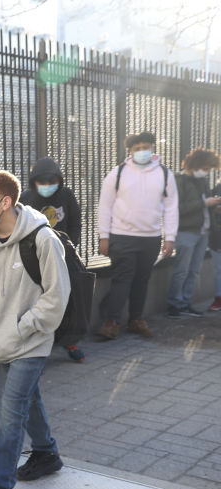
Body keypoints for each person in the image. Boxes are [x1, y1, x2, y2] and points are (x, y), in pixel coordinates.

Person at [0, 170, 70, 489]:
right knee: (30, 398)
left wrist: (23, 327)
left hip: (32, 341)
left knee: (12, 412)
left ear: (6, 202)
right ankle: (46, 453)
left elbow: (56, 297)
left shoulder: (42, 239)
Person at [96, 132, 178, 339]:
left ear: (153, 148)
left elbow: (171, 208)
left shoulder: (165, 174)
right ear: (130, 151)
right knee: (122, 279)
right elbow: (105, 206)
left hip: (151, 237)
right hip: (122, 236)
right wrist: (104, 236)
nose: (142, 151)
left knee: (142, 280)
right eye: (137, 148)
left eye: (145, 147)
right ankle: (111, 322)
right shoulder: (118, 173)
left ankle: (136, 320)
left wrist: (170, 238)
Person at [19, 157, 84, 362]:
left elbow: (75, 223)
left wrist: (70, 246)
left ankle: (69, 341)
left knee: (67, 301)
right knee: (36, 302)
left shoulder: (66, 195)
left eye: (52, 181)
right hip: (34, 260)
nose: (47, 185)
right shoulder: (26, 198)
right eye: (42, 182)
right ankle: (36, 345)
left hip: (63, 258)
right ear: (34, 181)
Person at [166, 148, 221, 318]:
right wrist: (204, 203)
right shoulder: (179, 180)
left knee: (195, 270)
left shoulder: (202, 181)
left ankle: (185, 303)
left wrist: (214, 206)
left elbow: (204, 205)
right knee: (181, 270)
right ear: (195, 164)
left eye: (209, 169)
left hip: (203, 231)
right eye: (205, 168)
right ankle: (174, 305)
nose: (207, 172)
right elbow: (178, 208)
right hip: (186, 232)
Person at [211, 179, 221, 313]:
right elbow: (208, 207)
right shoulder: (218, 188)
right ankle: (219, 298)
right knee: (219, 270)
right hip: (217, 236)